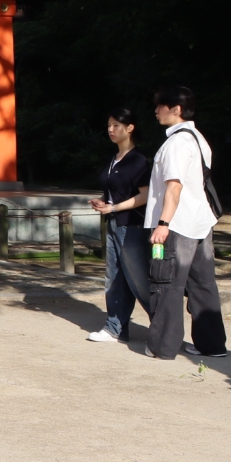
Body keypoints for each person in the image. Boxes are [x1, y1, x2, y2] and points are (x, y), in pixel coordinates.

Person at [145, 86, 228, 360]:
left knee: (166, 283)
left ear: (176, 109)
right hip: (200, 222)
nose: (156, 110)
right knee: (203, 285)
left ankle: (163, 346)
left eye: (161, 106)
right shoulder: (198, 138)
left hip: (176, 224)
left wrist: (162, 223)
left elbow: (174, 187)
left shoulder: (177, 143)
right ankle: (211, 345)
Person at [86, 106, 151, 343]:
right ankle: (116, 326)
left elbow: (145, 195)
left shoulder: (139, 159)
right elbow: (116, 191)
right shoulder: (114, 159)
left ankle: (163, 325)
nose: (111, 130)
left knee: (139, 278)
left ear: (130, 128)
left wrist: (113, 207)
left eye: (116, 126)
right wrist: (105, 202)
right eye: (109, 126)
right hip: (114, 222)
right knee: (114, 276)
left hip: (133, 225)